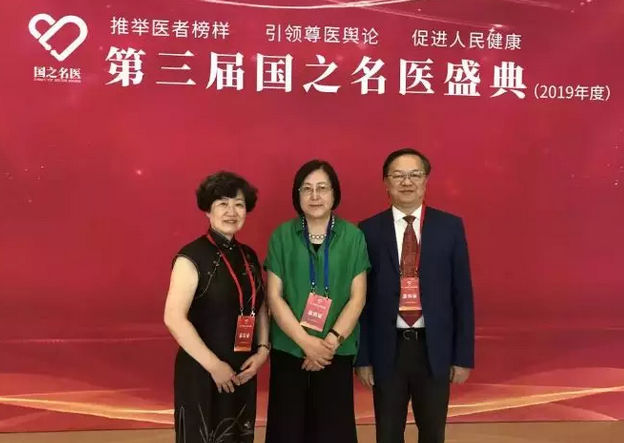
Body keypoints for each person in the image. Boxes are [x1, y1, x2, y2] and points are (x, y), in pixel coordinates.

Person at [355, 148, 475, 443]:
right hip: (388, 349)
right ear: (386, 182)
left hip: (434, 349)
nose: (406, 182)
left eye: (414, 175)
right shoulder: (368, 230)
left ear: (426, 180)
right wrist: (363, 358)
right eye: (398, 176)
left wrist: (462, 356)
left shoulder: (450, 227)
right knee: (387, 433)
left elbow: (462, 295)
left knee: (433, 433)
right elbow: (361, 301)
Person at [264, 159, 370, 443]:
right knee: (287, 430)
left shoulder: (353, 236)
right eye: (307, 189)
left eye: (322, 188)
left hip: (335, 352)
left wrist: (328, 344)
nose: (315, 196)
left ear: (334, 193)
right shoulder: (282, 235)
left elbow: (358, 297)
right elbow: (274, 297)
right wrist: (306, 343)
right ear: (297, 194)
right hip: (290, 350)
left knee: (333, 431)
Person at [163, 171, 270, 443]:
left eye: (239, 204)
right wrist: (214, 366)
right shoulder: (191, 256)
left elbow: (259, 306)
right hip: (203, 370)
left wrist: (262, 351)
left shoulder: (248, 255)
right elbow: (174, 318)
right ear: (207, 210)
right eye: (222, 204)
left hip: (242, 369)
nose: (231, 212)